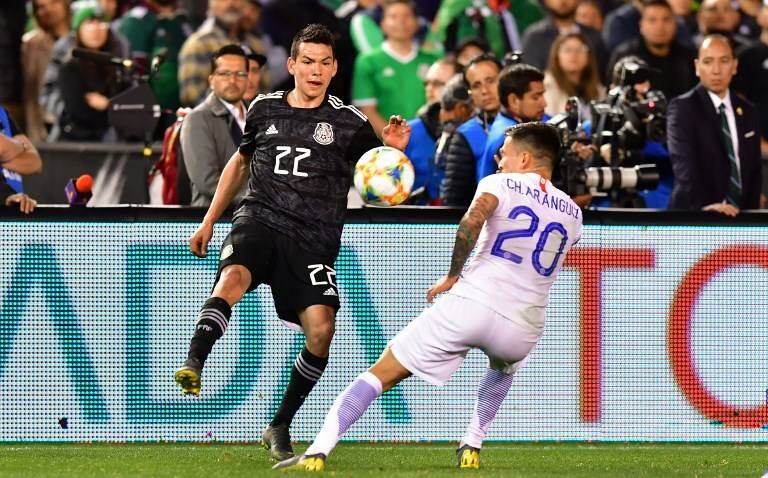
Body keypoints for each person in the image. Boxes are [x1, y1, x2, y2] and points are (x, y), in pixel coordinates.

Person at [273, 122, 583, 472]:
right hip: (523, 327)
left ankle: (317, 451)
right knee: (504, 367)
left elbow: (472, 221)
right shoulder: (574, 214)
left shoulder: (499, 183)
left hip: (473, 305)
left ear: (524, 158)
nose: (499, 160)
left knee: (380, 374)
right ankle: (472, 444)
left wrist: (453, 275)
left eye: (504, 154)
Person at [173, 24, 411, 462]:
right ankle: (194, 362)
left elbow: (380, 181)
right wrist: (208, 220)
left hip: (312, 240)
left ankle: (279, 424)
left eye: (325, 63)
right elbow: (240, 162)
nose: (316, 71)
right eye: (308, 62)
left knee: (321, 331)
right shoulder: (264, 108)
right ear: (292, 65)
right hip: (259, 219)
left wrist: (392, 152)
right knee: (233, 277)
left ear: (334, 69)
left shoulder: (350, 122)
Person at [667, 34, 762, 215]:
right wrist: (706, 209)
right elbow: (684, 167)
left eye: (724, 61)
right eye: (708, 62)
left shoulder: (749, 111)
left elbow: (754, 171)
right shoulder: (682, 108)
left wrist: (751, 216)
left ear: (734, 66)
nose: (716, 70)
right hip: (695, 216)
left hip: (741, 219)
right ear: (697, 67)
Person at [351, 0, 440, 134]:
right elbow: (367, 110)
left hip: (429, 139)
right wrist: (393, 138)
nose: (401, 21)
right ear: (382, 24)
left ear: (416, 23)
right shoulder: (368, 61)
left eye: (407, 16)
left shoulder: (433, 60)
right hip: (385, 142)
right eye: (393, 16)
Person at [180, 44, 249, 207]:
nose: (233, 80)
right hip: (216, 218)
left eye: (240, 74)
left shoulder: (258, 115)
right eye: (225, 74)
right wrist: (259, 201)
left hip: (256, 217)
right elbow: (208, 182)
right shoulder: (197, 119)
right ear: (211, 80)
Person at [57, 6, 130, 141]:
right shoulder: (70, 68)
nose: (96, 28)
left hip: (116, 138)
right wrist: (113, 107)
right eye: (90, 22)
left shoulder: (117, 65)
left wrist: (107, 105)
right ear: (78, 30)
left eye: (101, 22)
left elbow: (129, 105)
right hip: (81, 141)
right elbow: (78, 111)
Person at [177, 0, 267, 106]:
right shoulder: (199, 44)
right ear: (211, 4)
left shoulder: (256, 44)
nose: (231, 3)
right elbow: (193, 97)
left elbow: (266, 87)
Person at [440, 53, 501, 207]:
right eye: (476, 85)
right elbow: (453, 200)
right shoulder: (466, 135)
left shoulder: (535, 122)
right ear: (470, 93)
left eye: (490, 81)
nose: (485, 90)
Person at [608, 0, 697, 101]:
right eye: (652, 20)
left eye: (666, 20)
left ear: (675, 24)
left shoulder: (687, 57)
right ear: (641, 25)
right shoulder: (624, 56)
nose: (660, 26)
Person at [478, 63, 548, 182]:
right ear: (514, 100)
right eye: (536, 97)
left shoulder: (511, 123)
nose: (544, 103)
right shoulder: (509, 138)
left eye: (542, 95)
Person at [22, 0, 72, 142]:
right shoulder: (31, 43)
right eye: (41, 7)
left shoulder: (81, 39)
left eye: (54, 2)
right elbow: (30, 91)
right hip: (42, 122)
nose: (48, 9)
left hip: (76, 120)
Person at [543, 32, 605, 122]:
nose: (574, 55)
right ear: (557, 56)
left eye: (579, 50)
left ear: (589, 56)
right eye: (567, 50)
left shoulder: (598, 90)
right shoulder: (546, 87)